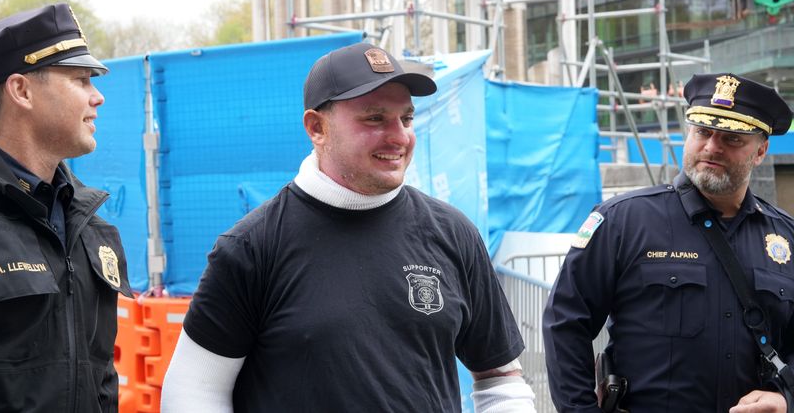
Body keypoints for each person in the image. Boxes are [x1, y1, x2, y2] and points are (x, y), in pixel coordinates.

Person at [161, 42, 535, 412]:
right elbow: (194, 391)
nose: (399, 136)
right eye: (374, 118)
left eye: (406, 118)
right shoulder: (251, 248)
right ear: (316, 127)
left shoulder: (453, 233)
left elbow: (501, 381)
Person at [543, 72, 794, 412]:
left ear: (761, 151)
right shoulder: (623, 220)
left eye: (731, 139)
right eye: (703, 132)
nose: (711, 147)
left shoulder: (785, 237)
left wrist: (786, 398)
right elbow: (565, 322)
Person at [0, 3, 132, 411]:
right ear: (21, 90)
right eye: (81, 79)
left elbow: (100, 376)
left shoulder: (90, 226)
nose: (98, 97)